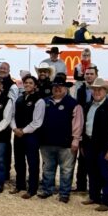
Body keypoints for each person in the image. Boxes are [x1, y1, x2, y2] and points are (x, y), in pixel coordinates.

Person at [38, 75, 82, 203]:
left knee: (66, 170)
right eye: (55, 86)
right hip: (46, 142)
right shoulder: (44, 101)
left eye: (60, 86)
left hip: (66, 143)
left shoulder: (73, 104)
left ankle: (64, 193)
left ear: (65, 88)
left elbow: (78, 124)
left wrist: (75, 140)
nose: (57, 89)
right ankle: (47, 189)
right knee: (47, 168)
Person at [81, 79, 108, 211]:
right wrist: (83, 144)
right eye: (95, 89)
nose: (97, 92)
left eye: (100, 89)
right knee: (92, 171)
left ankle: (107, 201)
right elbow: (84, 126)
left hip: (104, 146)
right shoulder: (88, 106)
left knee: (105, 173)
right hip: (89, 144)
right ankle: (94, 196)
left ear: (105, 91)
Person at [11, 76, 43, 198]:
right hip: (18, 134)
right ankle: (20, 185)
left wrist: (23, 131)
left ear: (35, 85)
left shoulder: (39, 101)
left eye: (30, 83)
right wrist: (14, 128)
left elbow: (37, 122)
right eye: (26, 82)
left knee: (32, 163)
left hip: (31, 136)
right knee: (19, 162)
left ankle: (32, 189)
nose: (28, 84)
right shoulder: (19, 99)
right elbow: (12, 115)